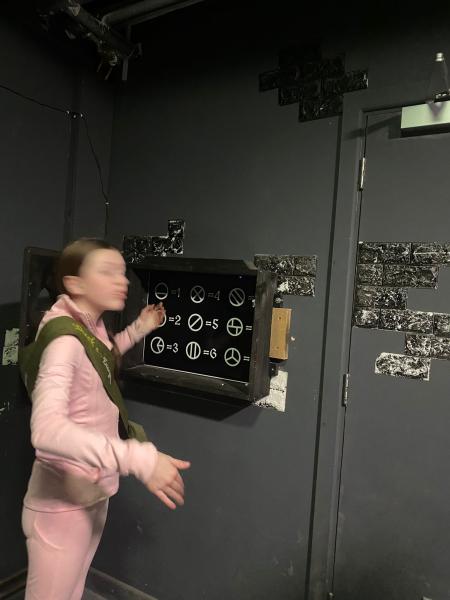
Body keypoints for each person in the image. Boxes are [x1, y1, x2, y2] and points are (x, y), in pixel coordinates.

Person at [20, 237, 191, 600]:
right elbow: (46, 430)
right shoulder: (64, 341)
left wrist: (139, 328)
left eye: (122, 272)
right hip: (61, 508)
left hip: (92, 494)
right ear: (75, 283)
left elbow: (103, 358)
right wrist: (138, 458)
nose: (122, 280)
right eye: (108, 271)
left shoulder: (88, 328)